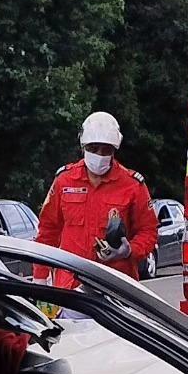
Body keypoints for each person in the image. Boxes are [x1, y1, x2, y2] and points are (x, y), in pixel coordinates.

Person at [33, 111, 158, 287]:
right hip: (71, 284)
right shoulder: (64, 181)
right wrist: (40, 277)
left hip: (116, 285)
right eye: (93, 148)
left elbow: (149, 231)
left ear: (114, 150)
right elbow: (48, 231)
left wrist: (129, 250)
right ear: (83, 147)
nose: (99, 154)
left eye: (105, 150)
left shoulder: (132, 185)